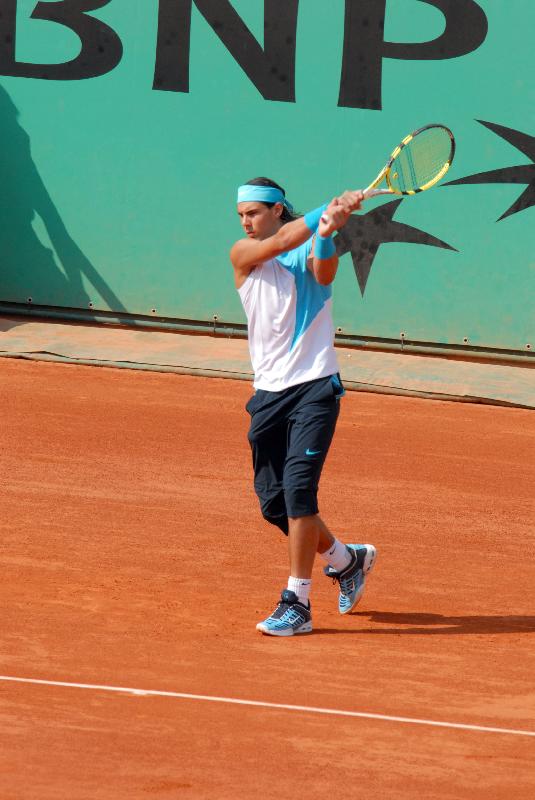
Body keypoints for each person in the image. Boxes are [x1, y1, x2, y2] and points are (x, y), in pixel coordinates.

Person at [230, 177, 377, 636]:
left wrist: (330, 232)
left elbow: (325, 273)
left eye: (253, 213)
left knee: (298, 492)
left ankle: (298, 601)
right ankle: (346, 560)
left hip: (314, 388)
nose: (245, 223)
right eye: (241, 215)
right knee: (274, 505)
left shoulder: (311, 242)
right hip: (268, 395)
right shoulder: (243, 255)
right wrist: (328, 210)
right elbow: (284, 240)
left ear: (277, 208)